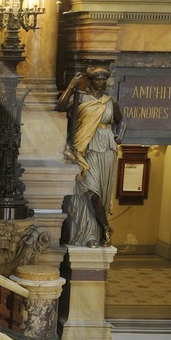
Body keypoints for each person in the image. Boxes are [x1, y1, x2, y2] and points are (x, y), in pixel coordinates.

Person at [56, 65, 125, 245]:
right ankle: (104, 227)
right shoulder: (82, 98)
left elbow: (121, 121)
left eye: (104, 79)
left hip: (106, 150)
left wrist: (119, 134)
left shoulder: (110, 102)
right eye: (97, 79)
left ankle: (94, 235)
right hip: (85, 147)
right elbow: (61, 107)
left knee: (100, 192)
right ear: (91, 80)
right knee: (89, 191)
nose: (101, 83)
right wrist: (71, 87)